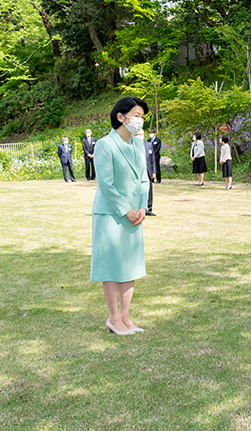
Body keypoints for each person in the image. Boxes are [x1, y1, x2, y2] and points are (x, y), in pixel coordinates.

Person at [91, 96, 150, 336]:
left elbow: (144, 179)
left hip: (135, 215)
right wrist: (126, 210)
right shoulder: (105, 144)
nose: (140, 121)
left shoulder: (138, 145)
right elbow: (106, 183)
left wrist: (142, 208)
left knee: (130, 266)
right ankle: (113, 318)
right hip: (111, 215)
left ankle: (126, 318)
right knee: (112, 266)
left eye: (143, 117)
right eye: (137, 115)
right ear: (121, 117)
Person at [138, 130, 157, 216]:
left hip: (148, 171)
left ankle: (149, 210)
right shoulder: (131, 145)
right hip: (137, 172)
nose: (140, 136)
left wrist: (154, 171)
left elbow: (153, 159)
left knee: (148, 191)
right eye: (138, 134)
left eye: (141, 134)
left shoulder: (149, 145)